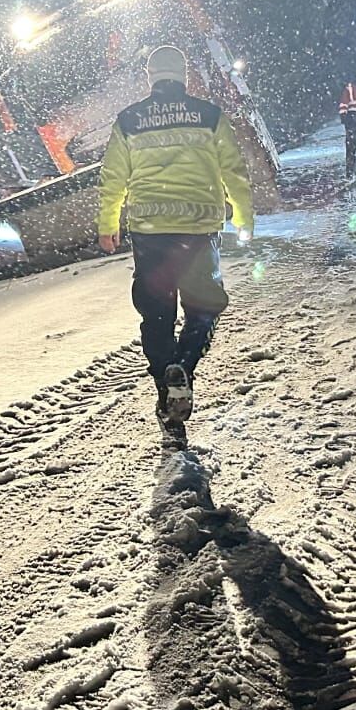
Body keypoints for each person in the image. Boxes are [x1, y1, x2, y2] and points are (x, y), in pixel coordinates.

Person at [97, 45, 255, 435]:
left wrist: (107, 223)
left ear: (150, 78)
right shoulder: (209, 116)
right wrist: (244, 216)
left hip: (151, 232)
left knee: (156, 314)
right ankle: (183, 367)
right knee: (203, 307)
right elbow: (233, 170)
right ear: (184, 76)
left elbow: (113, 178)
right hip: (199, 229)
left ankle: (167, 394)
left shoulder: (129, 120)